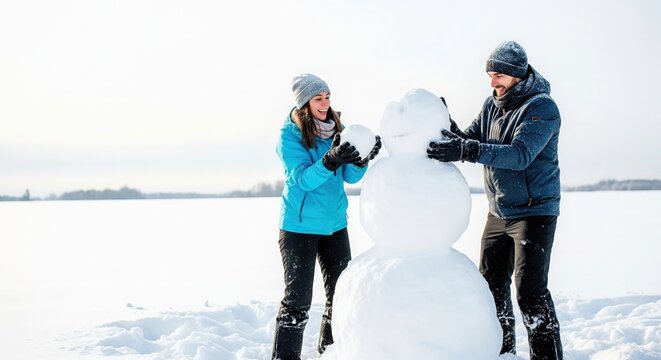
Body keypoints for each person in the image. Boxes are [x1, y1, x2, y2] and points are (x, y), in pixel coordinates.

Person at [427, 41, 563, 359]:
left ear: (516, 74)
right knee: (491, 290)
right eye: (490, 75)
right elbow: (469, 140)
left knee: (530, 294)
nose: (492, 83)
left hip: (535, 212)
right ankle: (503, 354)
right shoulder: (493, 105)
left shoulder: (542, 108)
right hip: (498, 212)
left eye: (498, 75)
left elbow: (520, 155)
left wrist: (467, 150)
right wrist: (444, 126)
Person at [272, 73, 381, 360]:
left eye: (327, 97)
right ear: (304, 104)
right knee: (297, 301)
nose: (325, 103)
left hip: (334, 227)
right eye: (318, 99)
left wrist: (361, 159)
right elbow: (303, 180)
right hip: (299, 228)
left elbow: (350, 176)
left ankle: (331, 353)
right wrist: (330, 160)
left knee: (340, 296)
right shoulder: (290, 136)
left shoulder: (338, 128)